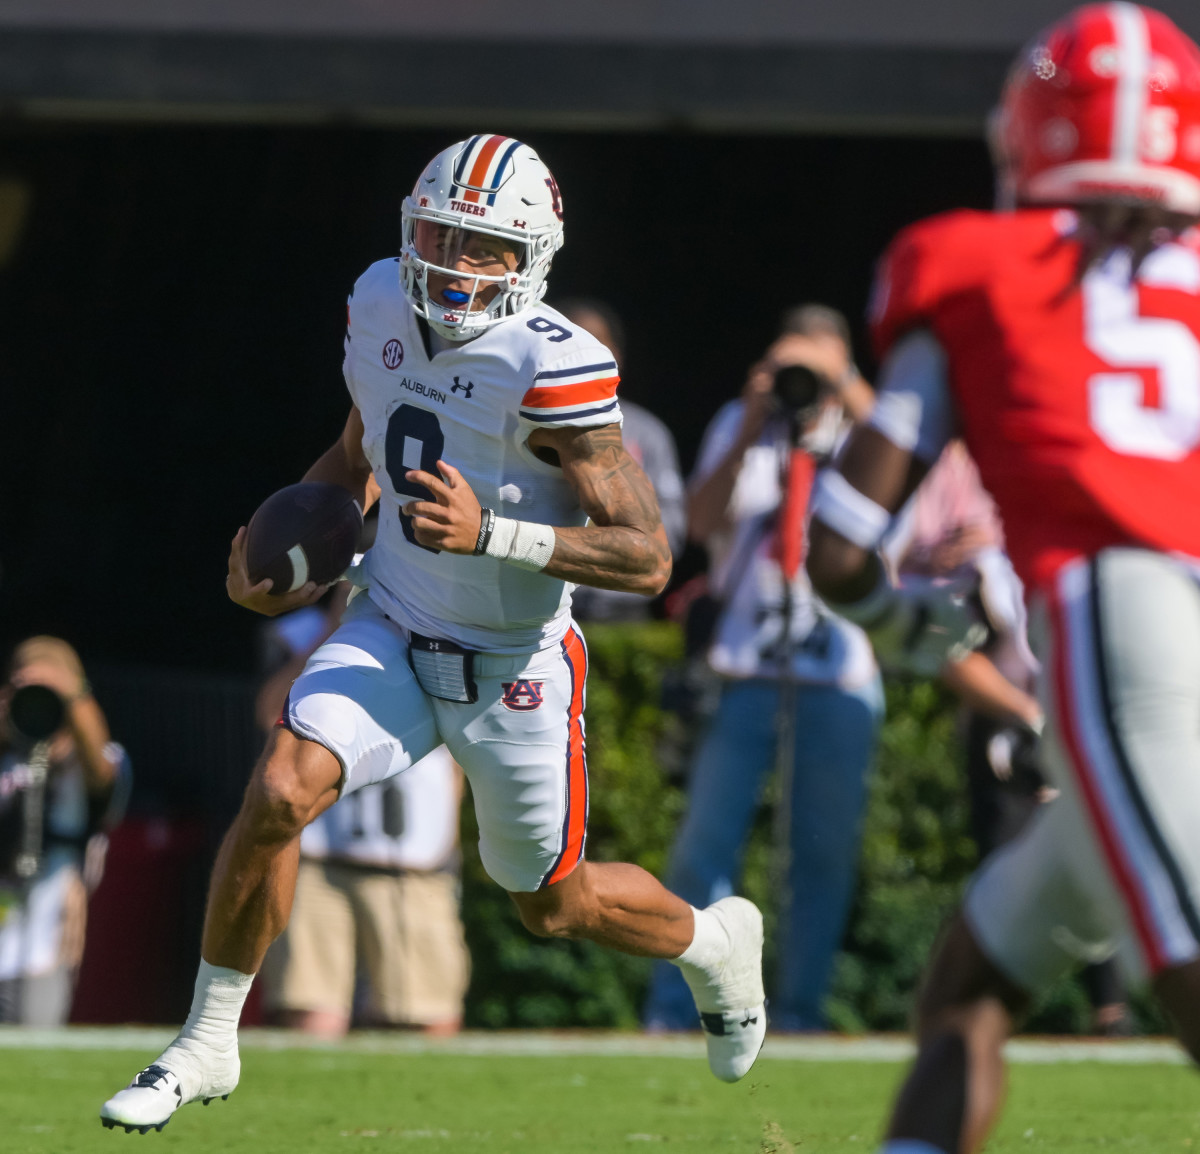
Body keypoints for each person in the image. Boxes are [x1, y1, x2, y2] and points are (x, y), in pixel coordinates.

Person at [101, 135, 766, 1134]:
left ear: (531, 257)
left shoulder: (556, 366)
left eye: (485, 245)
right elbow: (355, 448)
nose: (456, 261)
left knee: (553, 902)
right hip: (394, 621)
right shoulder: (378, 302)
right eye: (441, 232)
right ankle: (206, 1039)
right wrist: (290, 553)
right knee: (281, 786)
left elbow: (646, 556)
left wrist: (495, 529)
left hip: (515, 667)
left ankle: (713, 942)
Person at [805, 6, 1200, 1151]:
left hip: (1129, 628)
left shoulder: (978, 269)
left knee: (1183, 960)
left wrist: (903, 619)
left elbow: (840, 543)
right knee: (972, 985)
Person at [643, 305, 883, 1033]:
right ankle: (677, 1009)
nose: (803, 381)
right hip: (746, 666)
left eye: (817, 366)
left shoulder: (866, 436)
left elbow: (906, 497)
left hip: (838, 670)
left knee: (822, 855)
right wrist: (753, 419)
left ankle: (803, 1009)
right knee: (705, 847)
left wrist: (848, 389)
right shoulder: (743, 423)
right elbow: (698, 523)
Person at [255, 591, 470, 1038]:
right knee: (310, 1014)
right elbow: (270, 712)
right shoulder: (307, 634)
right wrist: (337, 628)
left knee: (425, 1014)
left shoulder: (451, 630)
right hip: (320, 851)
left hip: (414, 855)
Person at [0, 636, 130, 1024]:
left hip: (47, 928)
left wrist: (72, 695)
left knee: (34, 1037)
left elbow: (103, 773)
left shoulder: (96, 757)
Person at [554, 299, 687, 622]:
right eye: (570, 341)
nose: (582, 354)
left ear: (618, 356)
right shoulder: (518, 423)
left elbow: (671, 529)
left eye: (595, 344)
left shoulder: (648, 432)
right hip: (546, 600)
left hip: (621, 611)